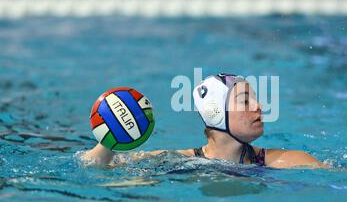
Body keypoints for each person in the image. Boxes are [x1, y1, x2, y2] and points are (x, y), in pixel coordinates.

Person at [82, 74, 327, 169]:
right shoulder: (176, 161)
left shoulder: (290, 161)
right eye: (244, 101)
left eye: (255, 99)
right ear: (216, 113)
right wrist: (111, 137)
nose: (259, 106)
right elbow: (94, 166)